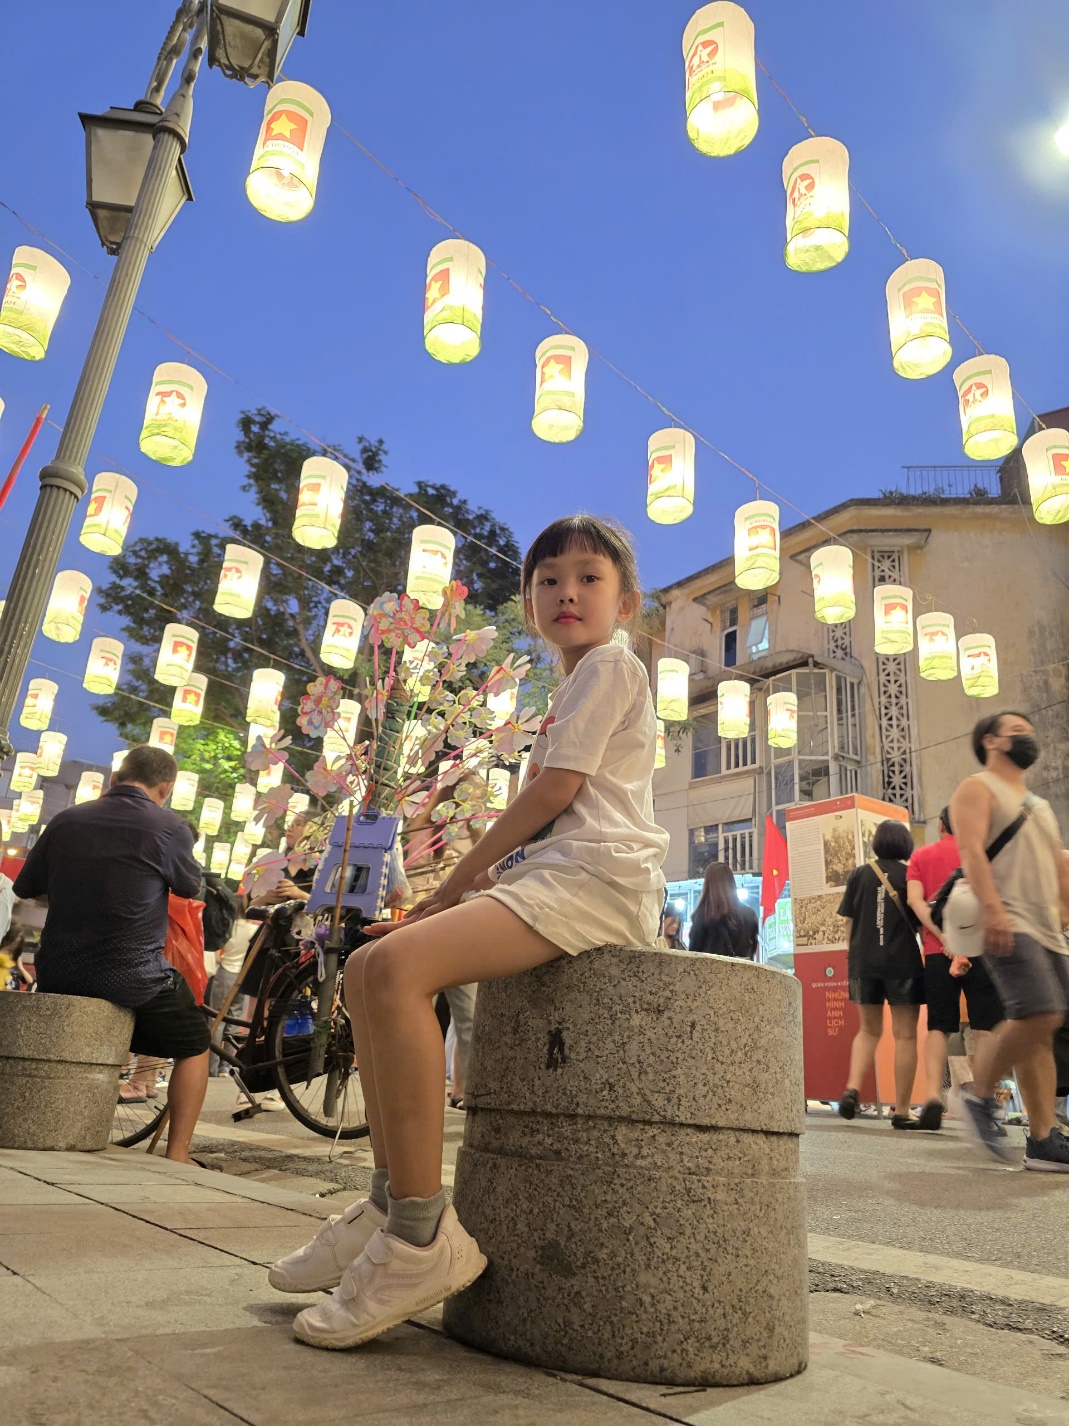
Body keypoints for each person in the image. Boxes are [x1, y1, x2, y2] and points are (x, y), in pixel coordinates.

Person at [268, 514, 669, 1349]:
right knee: (364, 972)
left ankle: (417, 1237)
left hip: (599, 884)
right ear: (528, 604)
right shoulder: (574, 683)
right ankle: (389, 1204)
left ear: (625, 601)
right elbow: (554, 812)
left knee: (391, 970)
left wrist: (452, 885)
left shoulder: (609, 666)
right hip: (561, 875)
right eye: (548, 580)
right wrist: (477, 878)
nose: (566, 591)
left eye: (588, 578)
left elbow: (555, 796)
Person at [12, 745, 210, 1165]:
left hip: (58, 970)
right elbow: (190, 887)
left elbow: (25, 885)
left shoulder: (67, 819)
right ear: (165, 788)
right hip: (131, 975)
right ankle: (179, 1154)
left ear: (117, 778)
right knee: (195, 1043)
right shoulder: (168, 826)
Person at [949, 711, 1069, 1170]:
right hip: (1008, 918)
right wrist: (994, 908)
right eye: (1018, 731)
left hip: (1047, 929)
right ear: (991, 740)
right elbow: (972, 850)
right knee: (1041, 1012)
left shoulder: (1039, 804)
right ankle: (978, 1097)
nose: (1028, 738)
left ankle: (1042, 1139)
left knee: (1041, 1029)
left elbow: (1059, 869)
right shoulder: (977, 787)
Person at [906, 806, 1003, 1130]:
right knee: (986, 1027)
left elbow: (916, 902)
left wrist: (943, 935)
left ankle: (933, 1096)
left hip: (936, 952)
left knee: (938, 1026)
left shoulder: (921, 857)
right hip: (982, 951)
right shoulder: (983, 856)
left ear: (941, 824)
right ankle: (984, 1100)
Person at [836, 819, 934, 1130]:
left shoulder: (860, 874)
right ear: (906, 845)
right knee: (904, 1035)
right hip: (903, 962)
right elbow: (920, 919)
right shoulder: (910, 876)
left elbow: (848, 922)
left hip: (864, 963)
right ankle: (902, 1110)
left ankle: (852, 1088)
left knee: (868, 1030)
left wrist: (853, 958)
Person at [687, 862, 758, 959]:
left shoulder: (703, 914)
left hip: (712, 972)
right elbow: (752, 948)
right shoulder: (750, 914)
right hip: (743, 972)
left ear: (708, 884)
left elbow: (693, 953)